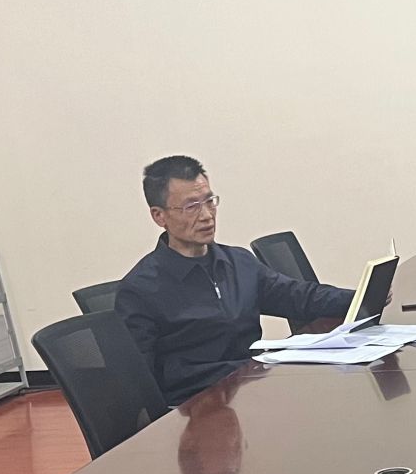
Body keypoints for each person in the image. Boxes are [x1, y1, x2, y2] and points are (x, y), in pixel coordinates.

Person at [116, 155, 355, 408]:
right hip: (198, 407)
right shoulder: (141, 289)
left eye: (209, 201)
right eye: (191, 206)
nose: (207, 215)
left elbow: (299, 297)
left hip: (253, 389)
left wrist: (364, 297)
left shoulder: (238, 262)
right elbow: (139, 385)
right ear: (159, 216)